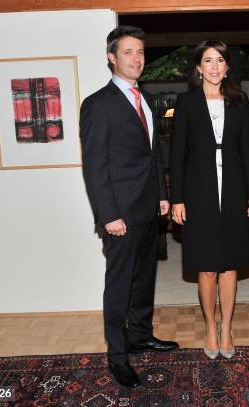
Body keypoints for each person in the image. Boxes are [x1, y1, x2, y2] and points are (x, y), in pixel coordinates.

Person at [80, 26, 179, 388]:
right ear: (112, 57)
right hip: (119, 215)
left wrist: (161, 193)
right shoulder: (97, 104)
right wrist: (108, 216)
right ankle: (118, 355)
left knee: (145, 280)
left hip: (149, 209)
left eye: (140, 52)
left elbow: (153, 153)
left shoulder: (147, 98)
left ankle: (141, 334)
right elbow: (95, 165)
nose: (137, 59)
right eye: (128, 52)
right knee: (120, 285)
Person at [170, 40, 249, 359]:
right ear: (198, 67)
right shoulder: (186, 102)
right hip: (198, 192)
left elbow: (248, 151)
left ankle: (228, 327)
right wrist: (176, 199)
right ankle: (210, 327)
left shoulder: (239, 101)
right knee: (206, 267)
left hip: (234, 192)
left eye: (220, 60)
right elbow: (176, 154)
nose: (214, 66)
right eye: (208, 60)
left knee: (230, 266)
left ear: (227, 66)